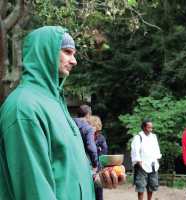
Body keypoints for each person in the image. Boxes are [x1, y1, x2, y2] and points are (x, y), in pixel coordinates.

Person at [0, 26, 125, 200]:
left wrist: (96, 180)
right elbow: (35, 190)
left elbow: (64, 171)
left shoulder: (55, 102)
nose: (74, 61)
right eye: (67, 52)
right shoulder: (24, 107)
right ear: (45, 53)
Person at [131, 120, 162, 200]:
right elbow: (135, 150)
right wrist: (139, 162)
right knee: (141, 185)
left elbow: (157, 149)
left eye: (151, 128)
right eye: (149, 127)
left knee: (152, 185)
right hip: (142, 165)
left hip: (153, 164)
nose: (150, 129)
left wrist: (157, 159)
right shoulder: (138, 137)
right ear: (144, 127)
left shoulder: (154, 136)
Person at [73, 105, 99, 173]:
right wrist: (95, 165)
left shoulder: (69, 124)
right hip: (83, 164)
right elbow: (91, 148)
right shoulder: (88, 128)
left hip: (70, 163)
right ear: (88, 115)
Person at [88, 115, 108, 200]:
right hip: (86, 169)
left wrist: (98, 171)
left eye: (93, 126)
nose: (91, 128)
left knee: (99, 194)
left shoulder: (101, 138)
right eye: (89, 125)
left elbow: (103, 154)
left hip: (97, 169)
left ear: (97, 127)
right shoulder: (84, 136)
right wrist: (96, 149)